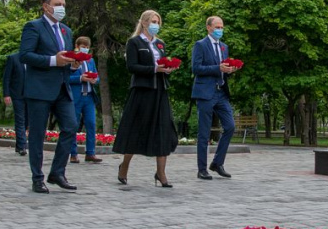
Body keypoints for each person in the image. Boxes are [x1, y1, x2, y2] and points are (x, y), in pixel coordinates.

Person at [19, 0, 78, 194]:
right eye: (57, 4)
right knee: (37, 135)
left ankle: (57, 172)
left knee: (70, 126)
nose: (62, 7)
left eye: (63, 4)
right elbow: (25, 56)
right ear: (45, 6)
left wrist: (73, 64)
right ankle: (37, 178)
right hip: (39, 89)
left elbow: (66, 58)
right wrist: (53, 60)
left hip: (62, 87)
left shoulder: (66, 31)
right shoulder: (33, 27)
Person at [113, 10, 178, 188]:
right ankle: (124, 166)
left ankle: (161, 173)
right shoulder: (134, 42)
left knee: (163, 130)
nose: (156, 24)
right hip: (142, 91)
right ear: (143, 23)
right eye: (153, 21)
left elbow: (162, 63)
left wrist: (167, 68)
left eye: (158, 21)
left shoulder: (160, 44)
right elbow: (132, 66)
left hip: (160, 91)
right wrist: (154, 69)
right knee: (136, 129)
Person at [192, 16, 237, 180]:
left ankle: (217, 163)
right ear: (208, 28)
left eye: (222, 27)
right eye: (217, 27)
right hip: (205, 93)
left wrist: (229, 70)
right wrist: (217, 68)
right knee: (204, 133)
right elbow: (196, 68)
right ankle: (202, 169)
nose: (220, 30)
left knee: (230, 126)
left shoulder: (224, 47)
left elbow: (223, 69)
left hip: (221, 92)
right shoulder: (200, 45)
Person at [69, 37, 102, 164]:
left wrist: (94, 79)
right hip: (76, 97)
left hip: (89, 96)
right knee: (74, 125)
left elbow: (97, 76)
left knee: (91, 124)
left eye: (87, 47)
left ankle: (90, 153)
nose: (85, 48)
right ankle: (73, 153)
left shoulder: (90, 60)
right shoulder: (71, 60)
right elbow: (66, 77)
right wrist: (80, 78)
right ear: (77, 46)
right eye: (83, 46)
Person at [3, 52, 28, 156]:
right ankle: (22, 146)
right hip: (17, 94)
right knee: (20, 120)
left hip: (31, 94)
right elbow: (6, 77)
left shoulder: (34, 58)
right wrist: (6, 94)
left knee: (27, 120)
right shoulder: (13, 58)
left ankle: (19, 145)